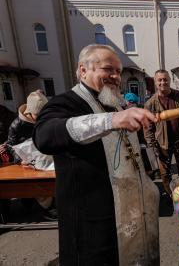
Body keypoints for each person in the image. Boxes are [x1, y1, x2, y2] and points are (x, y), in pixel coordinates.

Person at [33, 44, 160, 265]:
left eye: (119, 71)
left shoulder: (117, 104)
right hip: (92, 223)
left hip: (132, 213)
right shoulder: (65, 102)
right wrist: (110, 121)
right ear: (83, 70)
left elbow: (134, 149)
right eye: (108, 69)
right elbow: (44, 136)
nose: (115, 76)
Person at [144, 69, 179, 195]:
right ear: (155, 82)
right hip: (162, 143)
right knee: (165, 172)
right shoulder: (150, 104)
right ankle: (171, 194)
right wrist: (152, 145)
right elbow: (148, 127)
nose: (163, 82)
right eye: (159, 80)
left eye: (165, 79)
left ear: (170, 80)